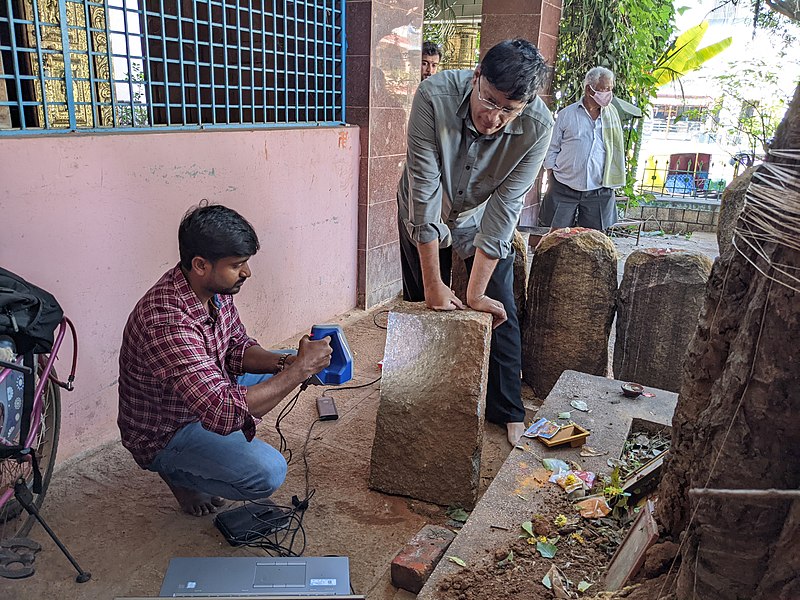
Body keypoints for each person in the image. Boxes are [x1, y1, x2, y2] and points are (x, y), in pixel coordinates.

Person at [117, 204, 332, 516]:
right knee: (267, 472)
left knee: (289, 359)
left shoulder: (214, 290)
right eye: (238, 265)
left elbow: (236, 347)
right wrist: (298, 372)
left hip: (205, 390)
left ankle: (208, 453)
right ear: (201, 264)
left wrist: (284, 365)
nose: (247, 272)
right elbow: (222, 410)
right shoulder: (166, 321)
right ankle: (177, 473)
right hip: (167, 430)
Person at [397, 38, 554, 446]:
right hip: (422, 204)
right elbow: (425, 190)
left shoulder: (538, 126)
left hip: (479, 214)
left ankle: (507, 408)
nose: (494, 117)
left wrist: (475, 291)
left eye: (509, 110)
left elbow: (507, 206)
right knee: (421, 303)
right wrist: (435, 284)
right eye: (490, 101)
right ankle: (415, 397)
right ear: (476, 77)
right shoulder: (433, 95)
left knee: (498, 304)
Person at [540, 66, 626, 231]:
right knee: (554, 236)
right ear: (589, 89)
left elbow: (615, 150)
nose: (608, 93)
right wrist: (551, 174)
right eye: (604, 89)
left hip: (599, 188)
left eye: (610, 89)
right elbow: (552, 147)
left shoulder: (612, 115)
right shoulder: (567, 114)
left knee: (595, 241)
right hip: (563, 186)